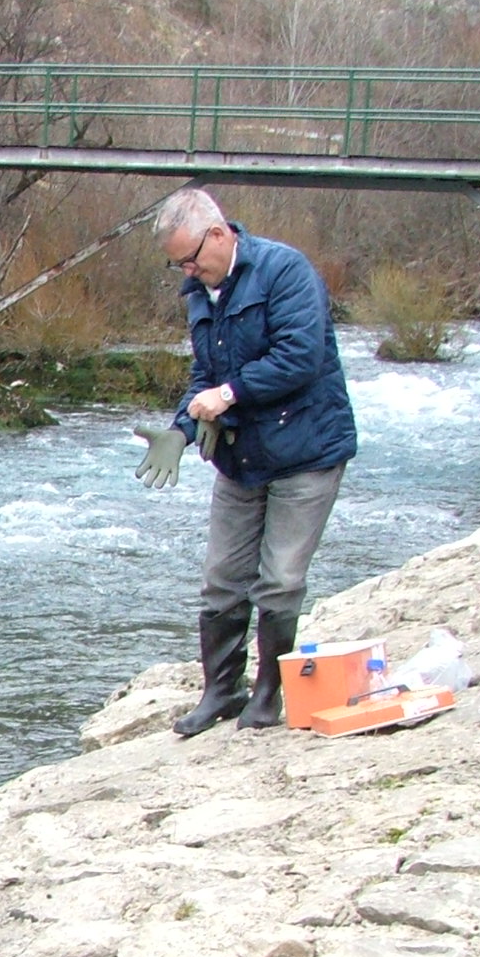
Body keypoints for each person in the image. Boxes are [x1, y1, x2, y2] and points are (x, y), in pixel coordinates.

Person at [140, 188, 357, 736]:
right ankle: (221, 691)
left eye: (191, 260)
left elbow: (300, 356)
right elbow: (204, 376)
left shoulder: (286, 271)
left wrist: (230, 394)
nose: (187, 272)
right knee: (221, 579)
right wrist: (181, 430)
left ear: (218, 234)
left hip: (307, 449)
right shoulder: (199, 293)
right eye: (178, 265)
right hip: (240, 457)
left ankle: (267, 694)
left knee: (280, 580)